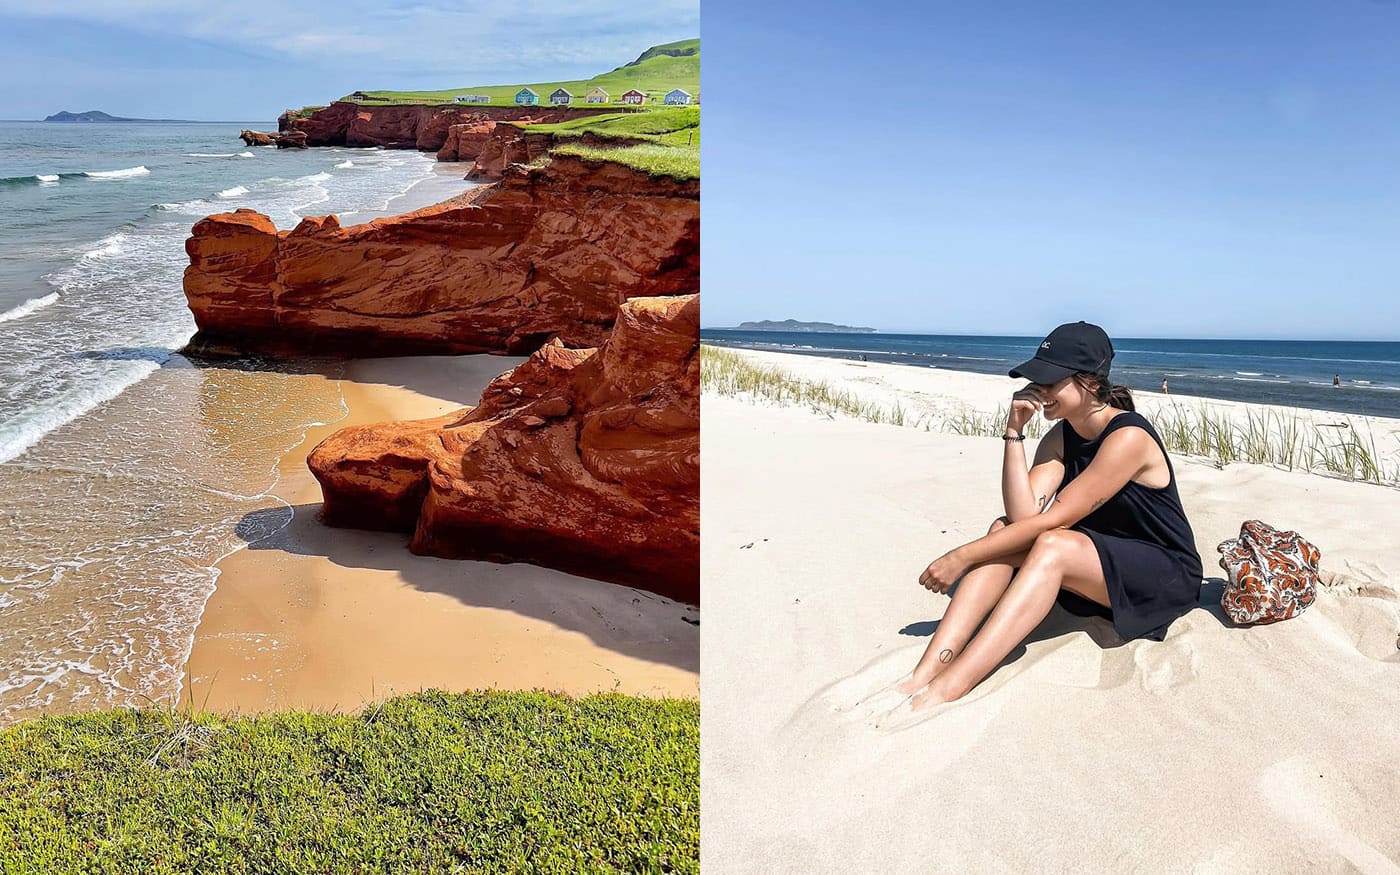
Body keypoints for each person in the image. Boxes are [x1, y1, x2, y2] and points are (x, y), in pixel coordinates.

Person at [897, 321, 1203, 708]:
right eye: (1035, 380)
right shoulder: (1061, 435)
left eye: (1049, 381)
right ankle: (926, 671)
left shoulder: (1128, 437)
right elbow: (1024, 517)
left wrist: (962, 556)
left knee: (1051, 545)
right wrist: (1014, 433)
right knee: (1003, 529)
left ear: (1089, 383)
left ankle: (949, 687)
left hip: (1162, 574)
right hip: (1095, 563)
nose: (1037, 391)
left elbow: (1052, 522)